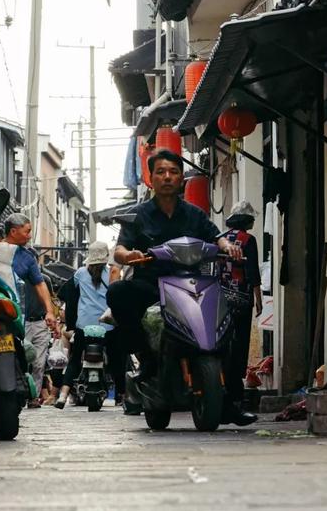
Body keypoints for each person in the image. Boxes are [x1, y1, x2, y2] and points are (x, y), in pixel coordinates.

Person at [107, 148, 256, 426]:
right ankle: (145, 357)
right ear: (150, 178)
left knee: (226, 327)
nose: (167, 177)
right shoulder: (137, 215)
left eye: (173, 172)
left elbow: (216, 237)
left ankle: (232, 400)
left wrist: (228, 247)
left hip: (192, 283)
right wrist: (128, 256)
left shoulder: (194, 214)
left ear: (181, 180)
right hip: (151, 285)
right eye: (161, 172)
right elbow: (120, 248)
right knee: (118, 293)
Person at [54, 241, 125, 409]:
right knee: (117, 360)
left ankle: (63, 395)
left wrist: (70, 322)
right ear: (106, 256)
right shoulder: (112, 274)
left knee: (75, 359)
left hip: (84, 327)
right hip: (107, 326)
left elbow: (67, 295)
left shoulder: (80, 273)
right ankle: (123, 395)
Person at [2, 213, 58, 407]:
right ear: (13, 231)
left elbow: (40, 285)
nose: (29, 236)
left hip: (20, 318)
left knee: (31, 359)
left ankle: (30, 395)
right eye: (27, 231)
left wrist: (50, 312)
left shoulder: (26, 258)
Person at [221, 200, 262, 411]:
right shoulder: (248, 240)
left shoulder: (221, 238)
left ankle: (222, 385)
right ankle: (235, 390)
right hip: (241, 299)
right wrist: (258, 299)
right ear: (246, 220)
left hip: (220, 300)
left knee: (223, 342)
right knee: (240, 344)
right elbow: (253, 272)